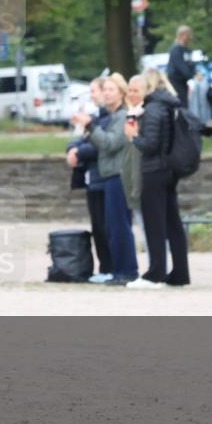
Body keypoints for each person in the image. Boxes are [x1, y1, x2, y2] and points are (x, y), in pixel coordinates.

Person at [123, 68, 190, 288]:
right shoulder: (171, 105)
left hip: (154, 170)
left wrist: (134, 137)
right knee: (173, 223)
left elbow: (150, 145)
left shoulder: (153, 108)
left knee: (155, 224)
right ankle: (180, 273)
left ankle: (156, 273)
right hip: (170, 170)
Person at [68, 73, 139, 285]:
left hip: (119, 175)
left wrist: (90, 127)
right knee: (112, 226)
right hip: (110, 175)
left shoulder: (122, 116)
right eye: (105, 89)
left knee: (119, 226)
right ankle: (119, 270)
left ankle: (127, 270)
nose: (106, 93)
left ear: (121, 93)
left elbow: (109, 143)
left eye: (111, 90)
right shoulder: (111, 116)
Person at [65, 77, 112, 279]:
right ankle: (105, 267)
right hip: (92, 178)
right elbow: (81, 138)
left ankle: (110, 267)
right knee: (97, 226)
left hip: (104, 177)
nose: (92, 95)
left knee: (105, 225)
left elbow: (100, 144)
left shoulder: (108, 118)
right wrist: (72, 148)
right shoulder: (97, 117)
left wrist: (79, 153)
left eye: (94, 91)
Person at [123, 75, 146, 252]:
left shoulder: (145, 115)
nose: (132, 94)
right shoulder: (129, 113)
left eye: (136, 90)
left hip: (143, 177)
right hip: (130, 176)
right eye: (130, 90)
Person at [166, 25, 195, 106]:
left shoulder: (187, 50)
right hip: (175, 82)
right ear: (182, 35)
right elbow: (180, 66)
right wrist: (192, 75)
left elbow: (191, 64)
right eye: (188, 35)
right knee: (180, 103)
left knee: (184, 102)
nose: (190, 38)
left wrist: (194, 73)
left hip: (183, 82)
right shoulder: (176, 49)